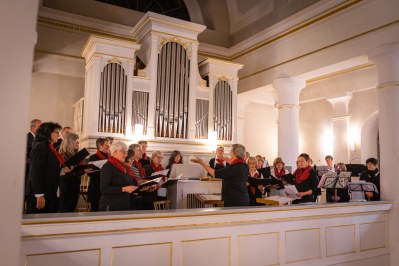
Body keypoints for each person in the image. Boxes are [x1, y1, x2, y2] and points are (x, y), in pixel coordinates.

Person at [27, 122, 63, 213]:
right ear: (48, 133)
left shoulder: (49, 147)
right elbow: (36, 172)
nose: (58, 135)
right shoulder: (40, 146)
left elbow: (50, 168)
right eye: (56, 132)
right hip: (41, 193)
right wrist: (39, 195)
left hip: (50, 191)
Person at [99, 141, 138, 211]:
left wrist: (140, 188)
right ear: (114, 152)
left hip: (123, 205)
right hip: (111, 206)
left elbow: (129, 184)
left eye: (126, 152)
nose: (126, 155)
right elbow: (104, 189)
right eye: (123, 152)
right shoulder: (108, 167)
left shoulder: (124, 167)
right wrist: (124, 189)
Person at [59, 133, 93, 212]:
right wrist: (82, 170)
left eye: (78, 140)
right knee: (65, 211)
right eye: (75, 140)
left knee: (72, 209)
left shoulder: (75, 155)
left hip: (75, 185)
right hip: (66, 187)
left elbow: (75, 170)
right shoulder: (63, 156)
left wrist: (82, 170)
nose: (78, 142)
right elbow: (64, 174)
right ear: (68, 142)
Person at [128, 143, 158, 209]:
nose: (142, 151)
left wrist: (148, 187)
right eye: (139, 150)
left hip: (140, 196)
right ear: (133, 152)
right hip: (132, 198)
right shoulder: (130, 165)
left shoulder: (139, 166)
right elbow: (134, 182)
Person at [87, 137, 110, 211]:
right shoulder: (93, 157)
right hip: (96, 187)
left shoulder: (111, 157)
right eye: (106, 145)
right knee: (95, 210)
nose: (108, 146)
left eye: (109, 145)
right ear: (100, 145)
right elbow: (90, 174)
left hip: (107, 187)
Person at [24, 118, 41, 213]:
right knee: (27, 196)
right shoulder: (26, 138)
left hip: (36, 170)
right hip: (27, 170)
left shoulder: (40, 139)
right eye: (40, 127)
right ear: (33, 127)